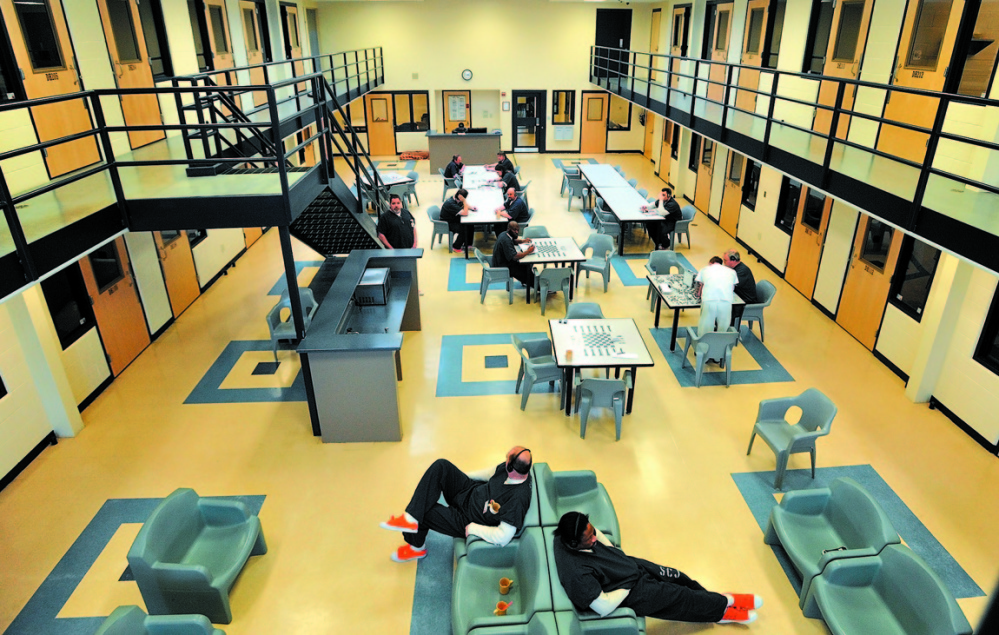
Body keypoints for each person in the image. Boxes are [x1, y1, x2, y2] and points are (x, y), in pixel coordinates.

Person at [552, 511, 761, 625]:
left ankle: (713, 602)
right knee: (679, 597)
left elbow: (594, 530)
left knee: (678, 578)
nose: (595, 538)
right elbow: (603, 608)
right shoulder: (577, 575)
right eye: (589, 539)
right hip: (630, 591)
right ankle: (724, 608)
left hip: (629, 567)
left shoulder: (566, 532)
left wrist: (615, 552)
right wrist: (630, 583)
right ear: (574, 544)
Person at [380, 447, 534, 562]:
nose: (504, 460)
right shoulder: (511, 469)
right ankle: (410, 519)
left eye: (507, 459)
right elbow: (490, 473)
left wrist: (474, 528)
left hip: (466, 519)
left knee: (425, 511)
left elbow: (503, 537)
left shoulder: (518, 499)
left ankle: (416, 548)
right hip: (470, 491)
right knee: (442, 466)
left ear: (511, 467)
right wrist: (460, 476)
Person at [695, 256, 738, 334]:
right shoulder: (732, 272)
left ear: (710, 263)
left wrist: (699, 295)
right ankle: (720, 343)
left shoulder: (705, 269)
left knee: (706, 326)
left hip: (709, 299)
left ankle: (704, 344)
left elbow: (700, 285)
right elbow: (732, 287)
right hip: (726, 301)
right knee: (723, 326)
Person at [492, 221, 536, 289]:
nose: (516, 232)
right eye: (514, 230)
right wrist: (528, 251)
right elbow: (514, 257)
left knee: (526, 266)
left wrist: (523, 241)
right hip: (503, 267)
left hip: (500, 261)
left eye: (517, 230)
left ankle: (526, 281)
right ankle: (540, 287)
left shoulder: (504, 234)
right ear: (509, 229)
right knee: (526, 270)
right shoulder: (506, 241)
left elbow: (512, 240)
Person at [724, 250, 757, 328]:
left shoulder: (742, 271)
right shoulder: (735, 268)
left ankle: (732, 329)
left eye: (725, 260)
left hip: (746, 299)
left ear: (733, 260)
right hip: (739, 294)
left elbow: (730, 284)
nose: (724, 263)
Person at [440, 188, 474, 252]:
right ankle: (456, 246)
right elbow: (465, 213)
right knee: (464, 228)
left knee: (470, 224)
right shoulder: (451, 204)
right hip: (447, 223)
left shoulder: (456, 199)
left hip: (454, 219)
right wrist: (464, 201)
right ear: (460, 197)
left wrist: (471, 208)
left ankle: (468, 244)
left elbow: (463, 205)